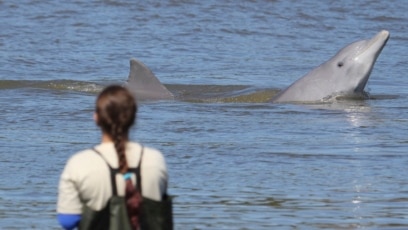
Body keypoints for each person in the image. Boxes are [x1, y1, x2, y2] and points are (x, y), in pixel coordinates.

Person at [57, 85, 168, 230]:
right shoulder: (155, 160)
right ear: (134, 118)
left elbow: (67, 221)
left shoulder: (79, 163)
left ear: (96, 118)